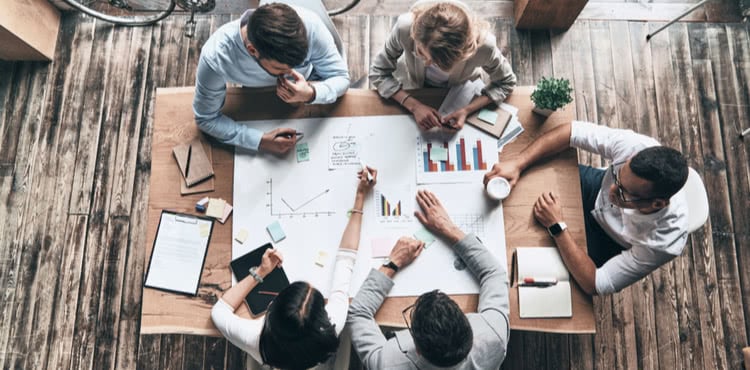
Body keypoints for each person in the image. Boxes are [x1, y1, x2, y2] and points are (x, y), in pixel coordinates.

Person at [484, 121, 689, 295]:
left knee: (540, 270)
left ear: (657, 204)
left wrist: (557, 226)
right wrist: (518, 164)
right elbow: (570, 132)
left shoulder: (664, 242)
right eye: (617, 175)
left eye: (624, 192)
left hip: (607, 241)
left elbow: (596, 283)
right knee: (526, 192)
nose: (612, 190)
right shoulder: (635, 147)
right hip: (592, 188)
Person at [211, 167, 378, 369]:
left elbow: (219, 311)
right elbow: (346, 259)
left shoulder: (254, 338)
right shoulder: (334, 323)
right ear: (323, 318)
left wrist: (259, 272)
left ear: (272, 309)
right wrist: (360, 197)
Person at [347, 189, 510, 369]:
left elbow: (358, 313)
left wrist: (392, 263)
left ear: (417, 349)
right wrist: (449, 229)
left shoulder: (387, 363)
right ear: (468, 326)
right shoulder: (494, 334)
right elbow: (494, 274)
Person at [193, 2, 350, 155]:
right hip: (256, 99)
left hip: (311, 86)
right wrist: (260, 140)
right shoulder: (215, 58)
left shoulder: (311, 27)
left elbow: (341, 78)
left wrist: (311, 93)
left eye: (297, 65)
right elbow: (206, 119)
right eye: (280, 68)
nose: (291, 73)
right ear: (252, 50)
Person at [370, 0, 517, 131]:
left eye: (435, 62)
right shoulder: (404, 28)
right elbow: (378, 72)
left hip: (460, 91)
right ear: (414, 35)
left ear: (464, 53)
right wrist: (414, 105)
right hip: (412, 86)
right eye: (421, 53)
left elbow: (506, 82)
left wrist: (467, 110)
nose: (426, 64)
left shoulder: (485, 46)